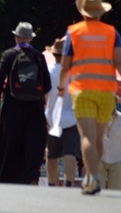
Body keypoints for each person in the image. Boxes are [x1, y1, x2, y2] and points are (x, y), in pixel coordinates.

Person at [58, 0, 121, 195]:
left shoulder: (73, 32)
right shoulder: (112, 33)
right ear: (100, 13)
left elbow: (65, 65)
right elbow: (119, 63)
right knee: (99, 136)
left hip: (82, 90)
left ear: (83, 13)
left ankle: (91, 177)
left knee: (87, 136)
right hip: (105, 91)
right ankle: (92, 176)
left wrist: (60, 87)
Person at [0, 22, 51, 185]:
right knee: (32, 143)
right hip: (35, 108)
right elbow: (47, 85)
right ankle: (30, 177)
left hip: (12, 106)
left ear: (16, 37)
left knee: (10, 143)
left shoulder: (8, 55)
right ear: (30, 38)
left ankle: (7, 179)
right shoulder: (39, 56)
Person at [44, 38, 80, 187]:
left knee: (51, 155)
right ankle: (69, 184)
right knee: (70, 155)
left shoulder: (47, 71)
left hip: (52, 118)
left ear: (53, 54)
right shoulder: (74, 72)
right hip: (72, 118)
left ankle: (52, 184)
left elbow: (44, 95)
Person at [99, 97, 121, 190]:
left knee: (115, 191)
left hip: (117, 159)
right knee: (98, 191)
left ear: (115, 102)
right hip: (100, 159)